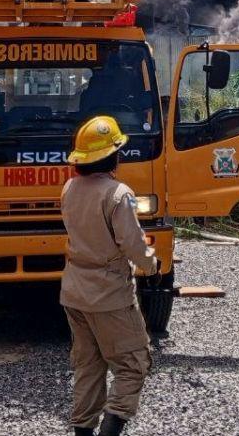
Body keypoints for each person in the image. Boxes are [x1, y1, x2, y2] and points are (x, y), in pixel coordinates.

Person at [60, 116, 157, 436]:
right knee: (133, 365)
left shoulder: (70, 188)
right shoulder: (118, 194)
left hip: (74, 291)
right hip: (108, 294)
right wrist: (151, 265)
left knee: (88, 368)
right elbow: (132, 243)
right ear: (112, 155)